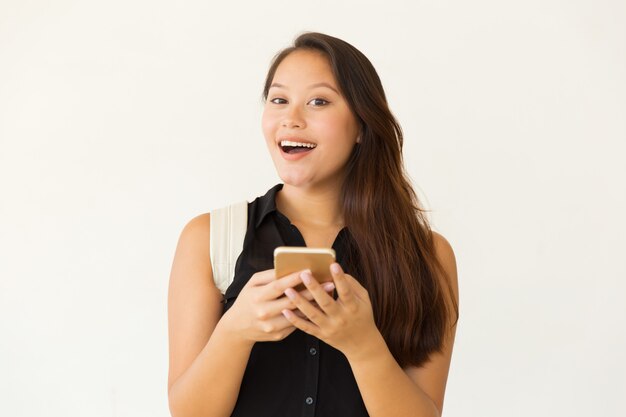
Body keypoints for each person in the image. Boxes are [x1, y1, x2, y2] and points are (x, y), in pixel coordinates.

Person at [167, 32, 459, 417]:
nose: (291, 118)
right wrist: (235, 330)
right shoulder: (208, 239)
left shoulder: (426, 255)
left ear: (361, 126)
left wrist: (362, 344)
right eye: (279, 99)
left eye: (318, 101)